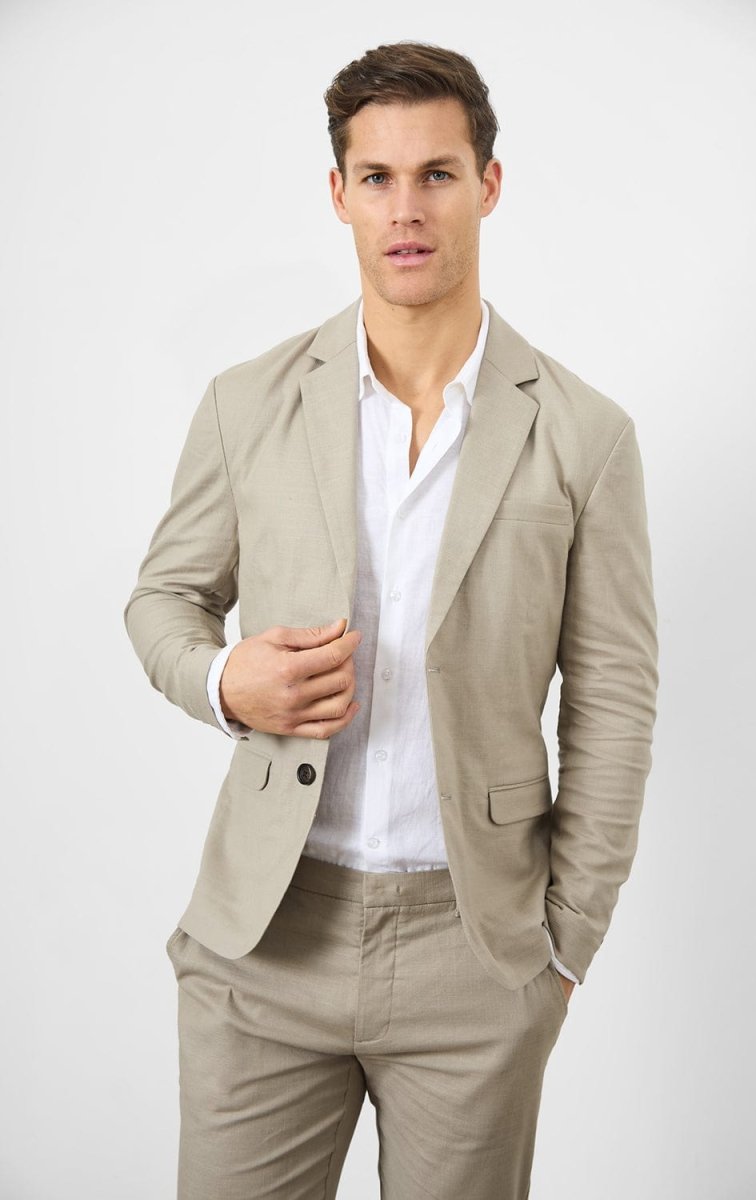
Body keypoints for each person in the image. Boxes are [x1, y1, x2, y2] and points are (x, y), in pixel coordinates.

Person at [124, 39, 659, 1200]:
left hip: (476, 948)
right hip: (265, 935)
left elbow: (613, 700)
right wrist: (223, 682)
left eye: (435, 174)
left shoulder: (583, 435)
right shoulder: (247, 403)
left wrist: (564, 944)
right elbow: (163, 599)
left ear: (487, 185)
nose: (404, 209)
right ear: (339, 194)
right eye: (376, 177)